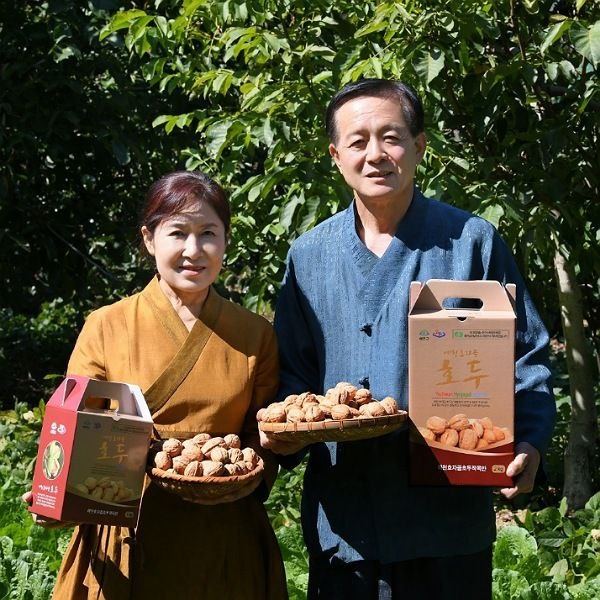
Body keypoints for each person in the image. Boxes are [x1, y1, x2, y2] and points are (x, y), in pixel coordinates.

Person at [260, 79, 556, 599]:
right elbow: (294, 376)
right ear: (336, 156)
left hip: (446, 524)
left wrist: (529, 441)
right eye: (357, 141)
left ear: (419, 146)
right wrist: (280, 434)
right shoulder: (309, 257)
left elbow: (525, 354)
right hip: (346, 527)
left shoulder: (471, 242)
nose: (375, 154)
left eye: (391, 137)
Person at [24, 170, 289, 600]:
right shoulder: (106, 326)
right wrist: (59, 491)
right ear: (149, 239)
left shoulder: (255, 334)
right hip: (127, 532)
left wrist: (239, 475)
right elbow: (72, 429)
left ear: (225, 240)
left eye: (208, 233)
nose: (193, 250)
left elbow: (264, 443)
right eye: (177, 233)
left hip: (221, 536)